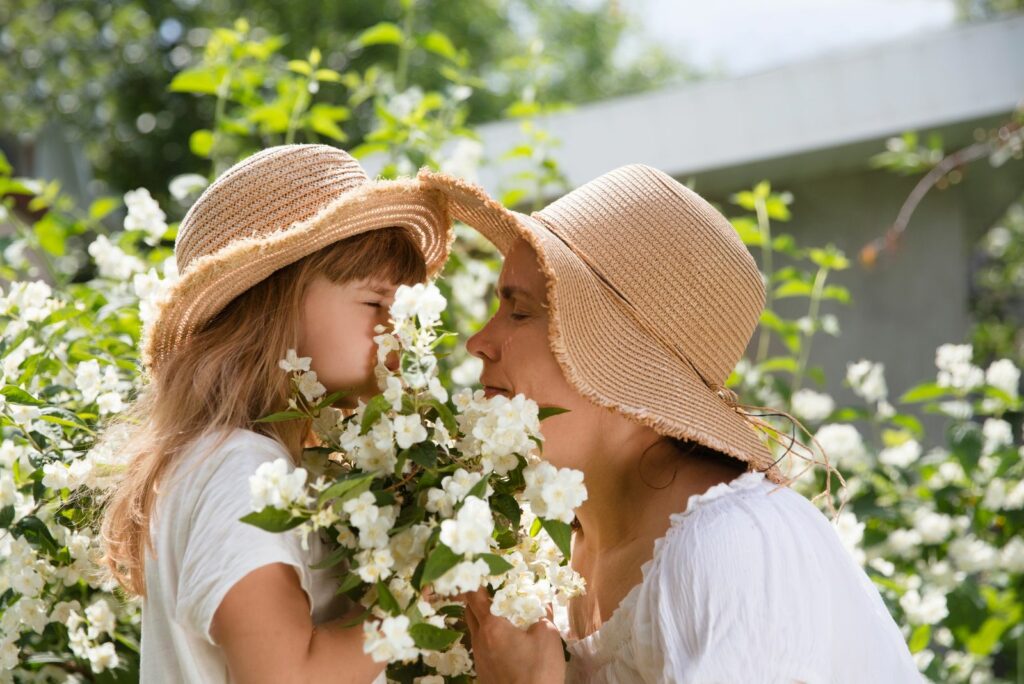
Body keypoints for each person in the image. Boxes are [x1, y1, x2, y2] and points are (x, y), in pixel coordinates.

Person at [420, 164, 922, 683]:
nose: (478, 340)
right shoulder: (548, 552)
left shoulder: (736, 549)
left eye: (520, 312)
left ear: (617, 359)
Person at [97, 144, 452, 683]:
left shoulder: (239, 459)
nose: (397, 327)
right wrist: (424, 582)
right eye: (375, 303)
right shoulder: (240, 469)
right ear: (275, 304)